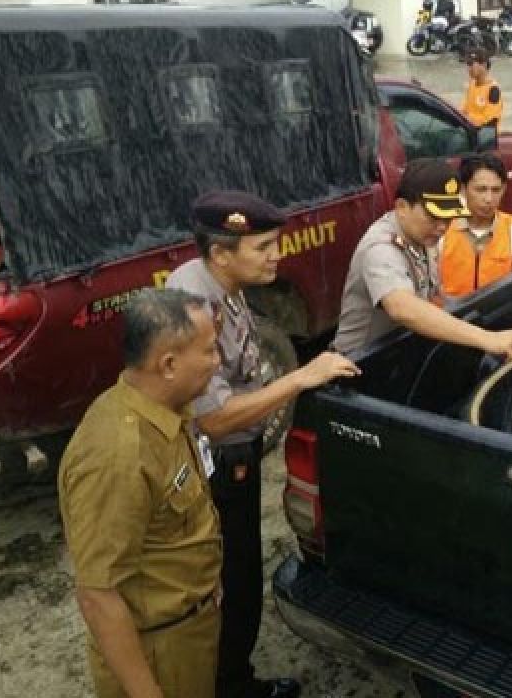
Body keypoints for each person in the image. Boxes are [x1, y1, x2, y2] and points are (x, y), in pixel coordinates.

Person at [165, 190, 360, 698]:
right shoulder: (193, 305)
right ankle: (229, 686)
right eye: (264, 247)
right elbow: (216, 419)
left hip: (237, 459)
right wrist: (300, 379)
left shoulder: (222, 284)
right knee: (229, 585)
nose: (277, 256)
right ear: (220, 253)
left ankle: (232, 678)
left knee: (241, 579)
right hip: (214, 465)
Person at [59, 288, 223, 698]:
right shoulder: (118, 454)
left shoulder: (166, 410)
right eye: (209, 351)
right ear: (167, 363)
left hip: (188, 632)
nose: (217, 362)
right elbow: (98, 594)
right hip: (157, 654)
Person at [332, 157, 512, 360]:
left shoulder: (421, 237)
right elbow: (402, 308)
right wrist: (489, 339)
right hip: (358, 366)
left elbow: (436, 300)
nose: (442, 227)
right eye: (433, 217)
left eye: (447, 218)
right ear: (402, 208)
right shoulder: (381, 247)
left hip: (400, 352)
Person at [438, 153, 512, 299]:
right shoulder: (440, 229)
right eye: (480, 189)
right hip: (447, 317)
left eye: (496, 190)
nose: (489, 199)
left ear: (504, 189)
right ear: (462, 188)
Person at [459, 48, 503, 129]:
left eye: (471, 64)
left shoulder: (493, 90)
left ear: (483, 65)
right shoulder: (471, 85)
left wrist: (467, 118)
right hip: (470, 131)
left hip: (485, 137)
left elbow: (489, 120)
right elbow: (465, 109)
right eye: (467, 64)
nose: (468, 69)